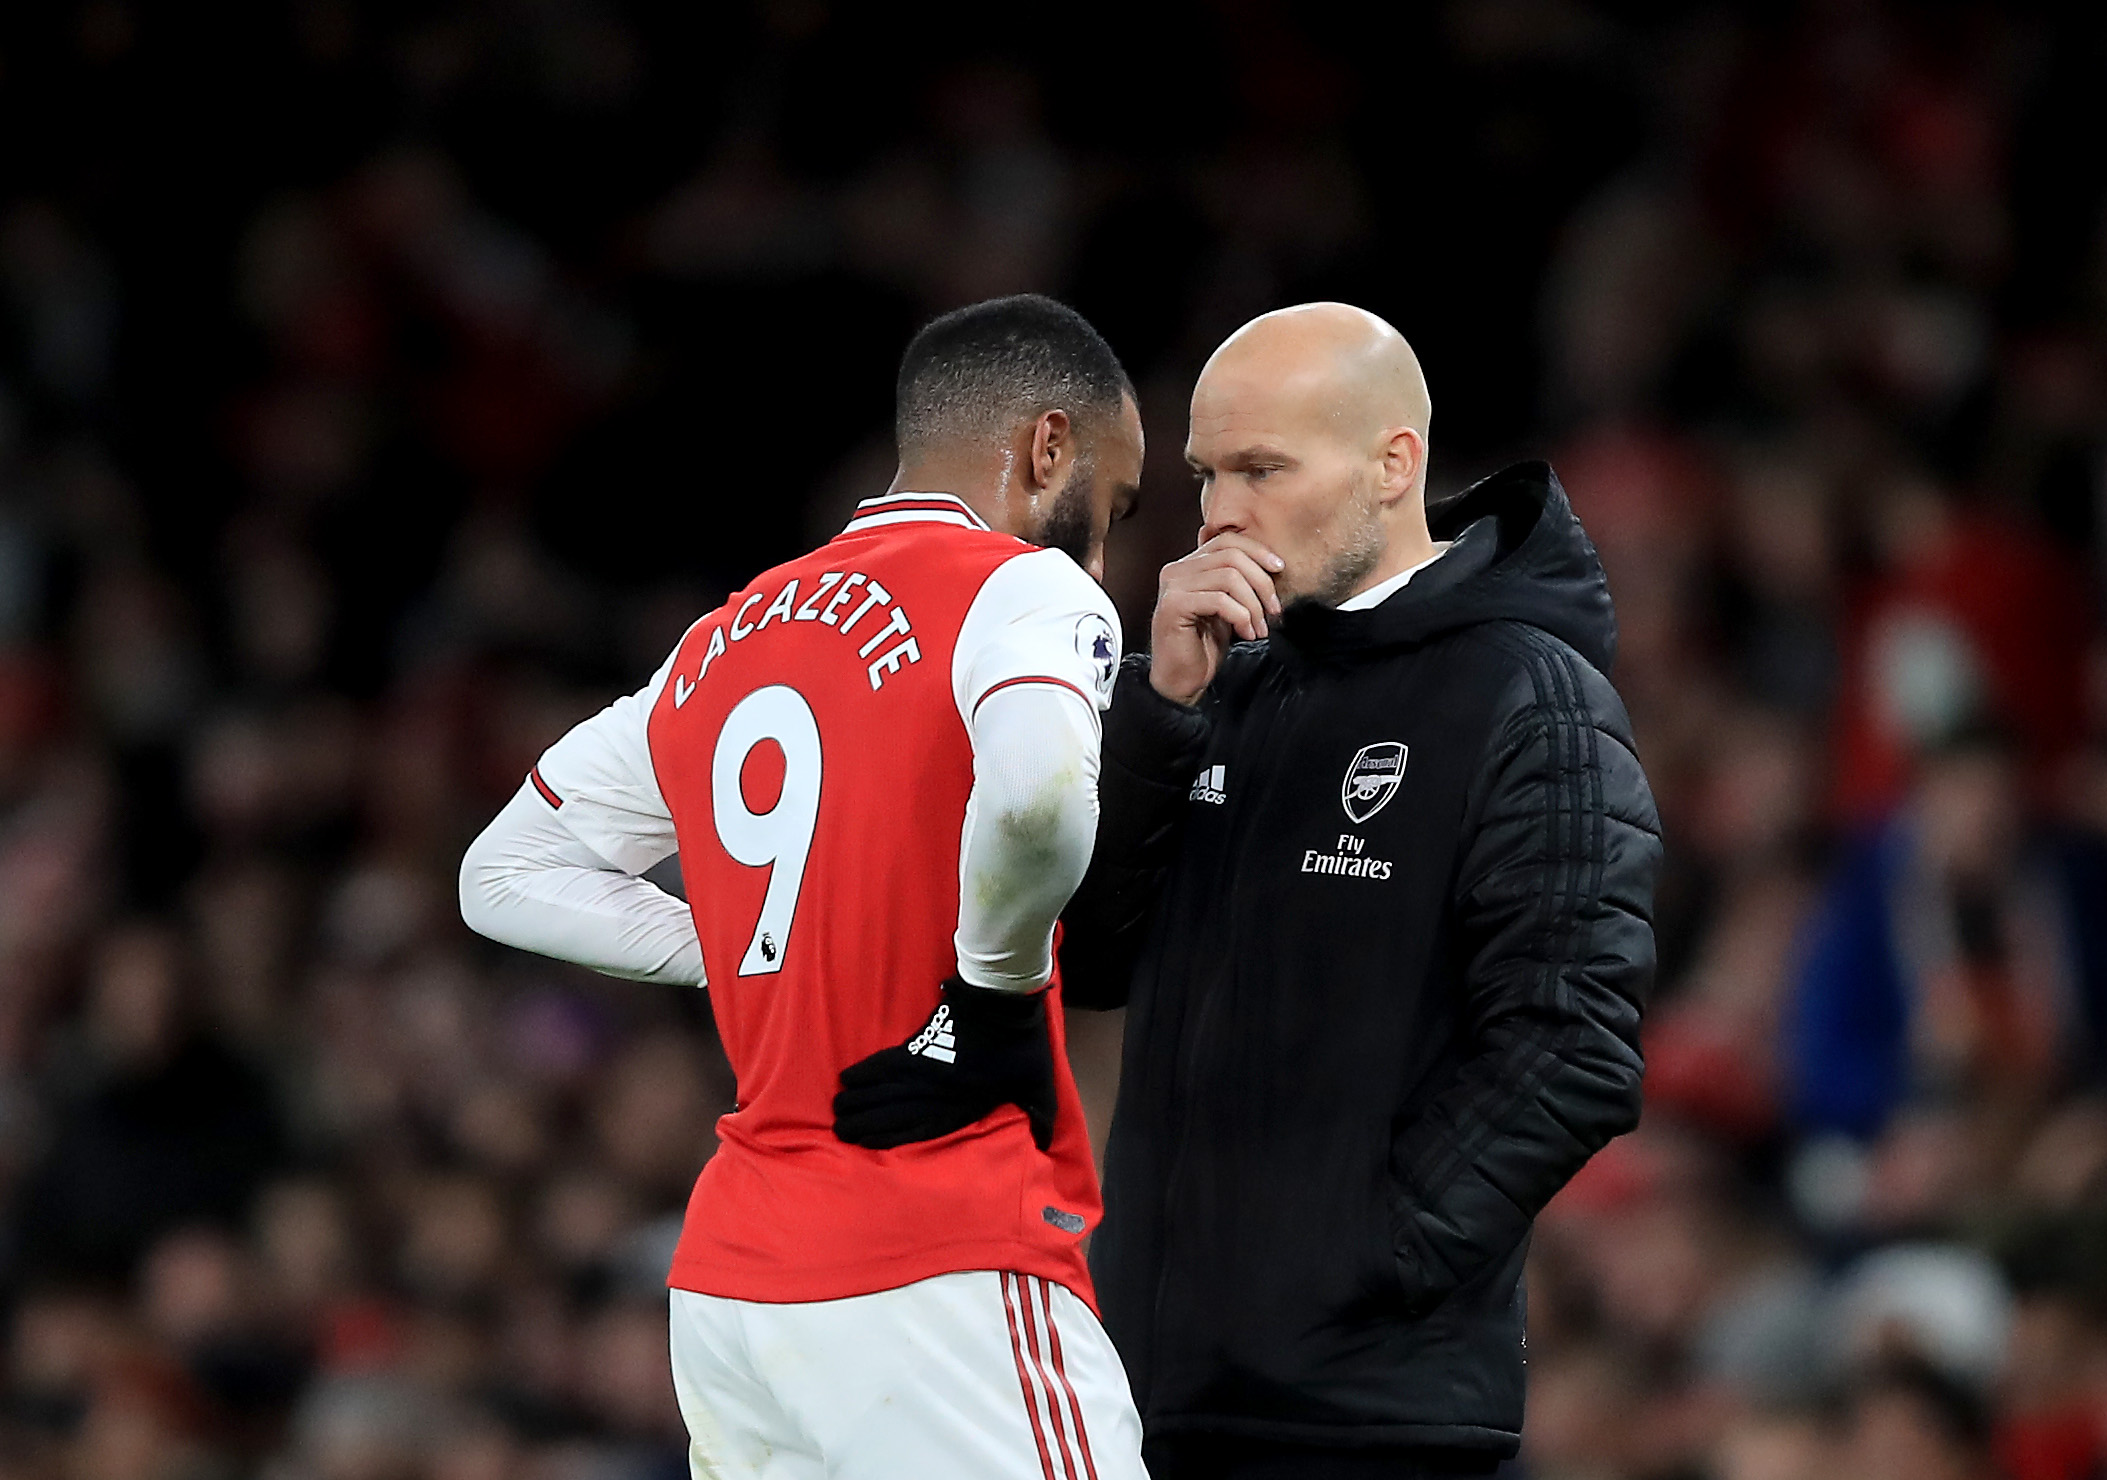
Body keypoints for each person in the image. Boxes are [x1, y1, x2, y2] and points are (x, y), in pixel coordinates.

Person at [459, 294, 1149, 1480]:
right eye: (1114, 502)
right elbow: (1037, 797)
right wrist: (989, 993)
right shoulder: (1021, 590)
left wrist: (743, 941)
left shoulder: (719, 641)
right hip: (935, 1261)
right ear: (1046, 448)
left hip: (735, 1287)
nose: (1105, 548)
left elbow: (501, 871)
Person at [1061, 303, 1663, 1478]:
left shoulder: (1526, 696)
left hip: (1372, 1422)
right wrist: (1159, 718)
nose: (1220, 512)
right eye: (1204, 475)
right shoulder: (1220, 682)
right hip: (1152, 1396)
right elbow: (1087, 955)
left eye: (1261, 469)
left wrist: (1360, 1257)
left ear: (1394, 465)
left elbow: (1573, 1044)